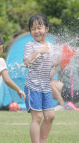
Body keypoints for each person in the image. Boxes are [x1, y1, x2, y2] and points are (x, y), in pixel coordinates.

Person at [23, 13, 55, 143]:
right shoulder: (30, 46)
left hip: (45, 87)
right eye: (33, 28)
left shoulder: (51, 47)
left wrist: (65, 59)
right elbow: (26, 62)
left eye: (39, 27)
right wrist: (38, 51)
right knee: (37, 118)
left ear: (46, 29)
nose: (36, 31)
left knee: (50, 116)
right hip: (33, 86)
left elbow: (52, 65)